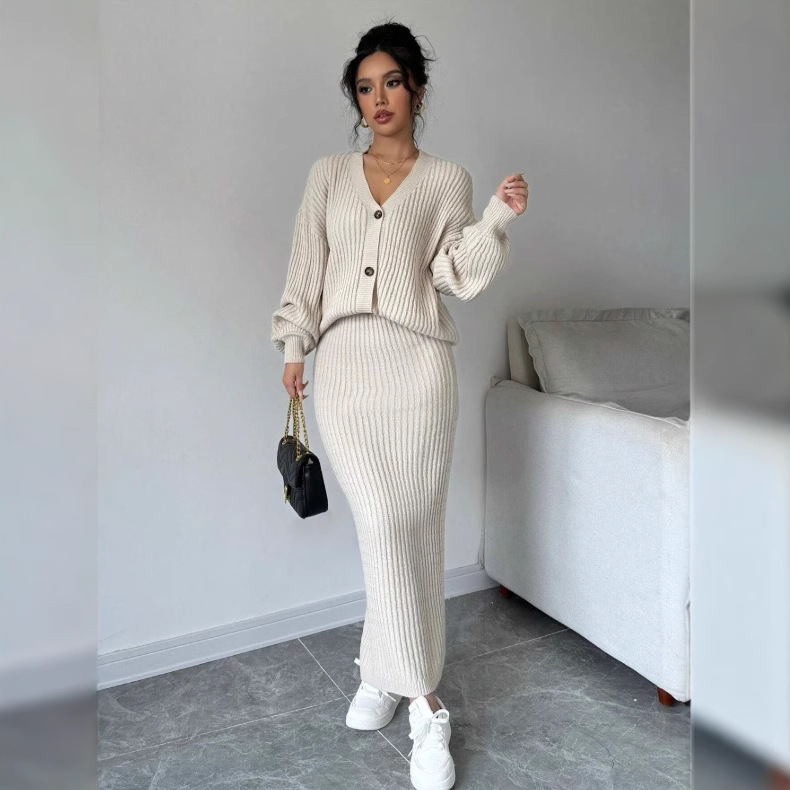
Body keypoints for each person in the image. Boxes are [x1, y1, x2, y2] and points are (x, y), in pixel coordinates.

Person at [271, 20, 528, 790]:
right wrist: (293, 348)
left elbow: (452, 276)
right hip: (347, 368)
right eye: (364, 87)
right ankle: (427, 705)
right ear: (356, 99)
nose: (378, 98)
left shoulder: (447, 179)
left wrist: (496, 218)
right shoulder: (328, 174)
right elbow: (306, 266)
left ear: (416, 87)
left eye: (391, 82)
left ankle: (379, 673)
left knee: (414, 526)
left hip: (419, 370)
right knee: (382, 522)